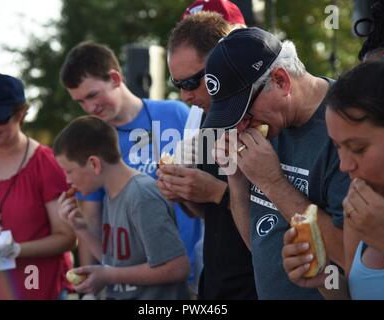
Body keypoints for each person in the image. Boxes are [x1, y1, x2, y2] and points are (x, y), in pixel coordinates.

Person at [203, 27, 350, 299]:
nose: (240, 124)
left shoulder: (347, 126)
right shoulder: (271, 126)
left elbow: (350, 255)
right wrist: (236, 179)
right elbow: (258, 245)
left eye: (244, 111)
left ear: (281, 80)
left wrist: (272, 183)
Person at [59, 42, 202, 290]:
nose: (90, 108)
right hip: (136, 282)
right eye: (80, 102)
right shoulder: (92, 140)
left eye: (92, 95)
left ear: (115, 78)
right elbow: (92, 216)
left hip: (195, 272)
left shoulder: (177, 113)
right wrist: (91, 289)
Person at [282, 43, 384, 299]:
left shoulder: (374, 217)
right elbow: (352, 294)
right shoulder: (360, 207)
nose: (345, 165)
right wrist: (322, 275)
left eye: (358, 148)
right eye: (338, 147)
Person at [158, 11, 257, 299]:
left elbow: (280, 216)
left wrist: (216, 192)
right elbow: (211, 216)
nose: (184, 97)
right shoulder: (206, 117)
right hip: (214, 283)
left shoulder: (264, 117)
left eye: (190, 83)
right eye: (177, 85)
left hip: (256, 284)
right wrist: (185, 193)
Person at [0, 73, 76, 299]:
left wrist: (16, 250)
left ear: (21, 113)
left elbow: (67, 236)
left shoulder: (47, 164)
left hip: (34, 287)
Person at [54, 116, 190, 299]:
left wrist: (109, 276)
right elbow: (116, 263)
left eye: (68, 171)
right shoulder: (112, 194)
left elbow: (177, 267)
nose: (68, 180)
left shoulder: (141, 195)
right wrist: (81, 228)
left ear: (94, 164)